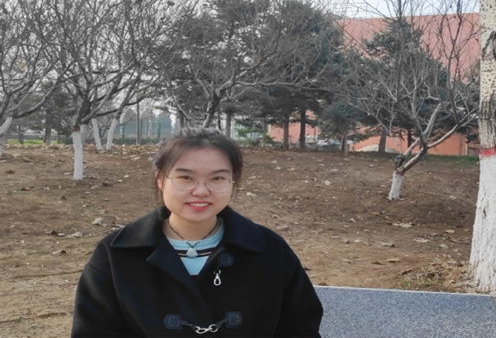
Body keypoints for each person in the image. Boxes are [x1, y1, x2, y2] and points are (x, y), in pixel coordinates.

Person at [71, 127, 323, 337]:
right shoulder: (116, 253)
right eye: (185, 178)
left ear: (232, 181)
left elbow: (300, 328)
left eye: (217, 178)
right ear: (161, 179)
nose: (201, 191)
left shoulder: (269, 250)